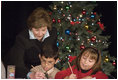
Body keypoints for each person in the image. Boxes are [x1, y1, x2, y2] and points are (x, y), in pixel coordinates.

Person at [4, 7, 57, 78]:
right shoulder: (21, 38)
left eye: (43, 30)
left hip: (42, 67)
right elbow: (18, 64)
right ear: (31, 27)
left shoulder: (53, 33)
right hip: (23, 69)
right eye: (36, 30)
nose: (40, 34)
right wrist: (30, 74)